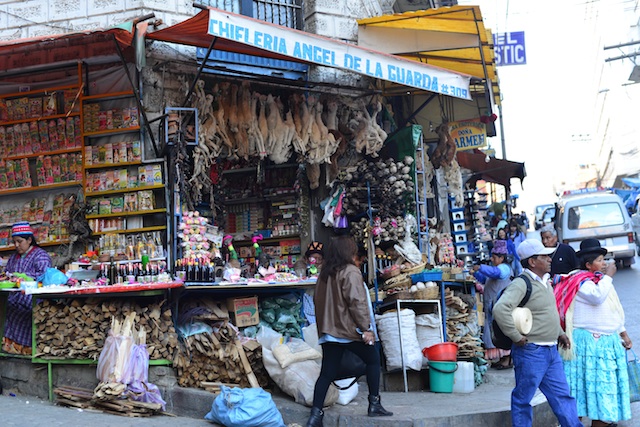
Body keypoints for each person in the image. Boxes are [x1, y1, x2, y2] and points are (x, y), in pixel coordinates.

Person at [493, 239, 582, 427]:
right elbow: (500, 309)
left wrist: (559, 333)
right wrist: (516, 337)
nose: (550, 259)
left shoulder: (545, 282)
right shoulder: (522, 283)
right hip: (531, 351)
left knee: (562, 396)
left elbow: (546, 313)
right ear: (532, 262)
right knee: (523, 399)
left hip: (550, 350)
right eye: (544, 256)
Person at [306, 236, 392, 427]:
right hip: (348, 330)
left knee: (326, 374)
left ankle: (315, 416)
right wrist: (366, 329)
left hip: (329, 332)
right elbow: (357, 302)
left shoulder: (324, 274)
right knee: (373, 359)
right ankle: (374, 404)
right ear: (348, 251)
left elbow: (317, 303)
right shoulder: (350, 272)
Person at [552, 238, 632, 427]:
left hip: (606, 343)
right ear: (588, 264)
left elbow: (612, 307)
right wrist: (609, 276)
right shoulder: (579, 281)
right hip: (585, 344)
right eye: (600, 260)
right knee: (579, 393)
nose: (604, 264)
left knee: (604, 393)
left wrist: (623, 334)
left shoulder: (600, 281)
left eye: (604, 260)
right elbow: (597, 297)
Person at [2, 222, 52, 355]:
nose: (17, 245)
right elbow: (7, 274)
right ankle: (13, 349)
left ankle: (28, 350)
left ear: (29, 240)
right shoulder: (13, 258)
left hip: (31, 298)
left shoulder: (40, 256)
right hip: (14, 298)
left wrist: (25, 278)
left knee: (23, 313)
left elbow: (44, 275)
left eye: (20, 241)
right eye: (14, 242)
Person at [472, 240, 513, 369]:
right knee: (493, 332)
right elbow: (486, 279)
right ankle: (501, 358)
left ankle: (507, 359)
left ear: (501, 258)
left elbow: (496, 273)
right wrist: (476, 274)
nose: (492, 259)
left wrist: (481, 267)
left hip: (501, 305)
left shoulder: (504, 268)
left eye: (494, 257)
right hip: (492, 306)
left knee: (501, 332)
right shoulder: (495, 268)